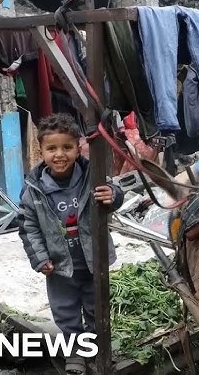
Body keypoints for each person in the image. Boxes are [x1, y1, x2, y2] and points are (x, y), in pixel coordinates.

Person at [17, 113, 124, 374]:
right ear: (40, 151)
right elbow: (28, 227)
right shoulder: (34, 189)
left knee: (96, 306)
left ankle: (97, 346)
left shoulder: (93, 175)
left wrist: (114, 196)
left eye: (67, 147)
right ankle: (74, 351)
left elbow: (115, 193)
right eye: (51, 148)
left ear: (78, 148)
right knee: (65, 311)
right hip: (59, 265)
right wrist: (40, 258)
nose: (59, 154)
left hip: (92, 260)